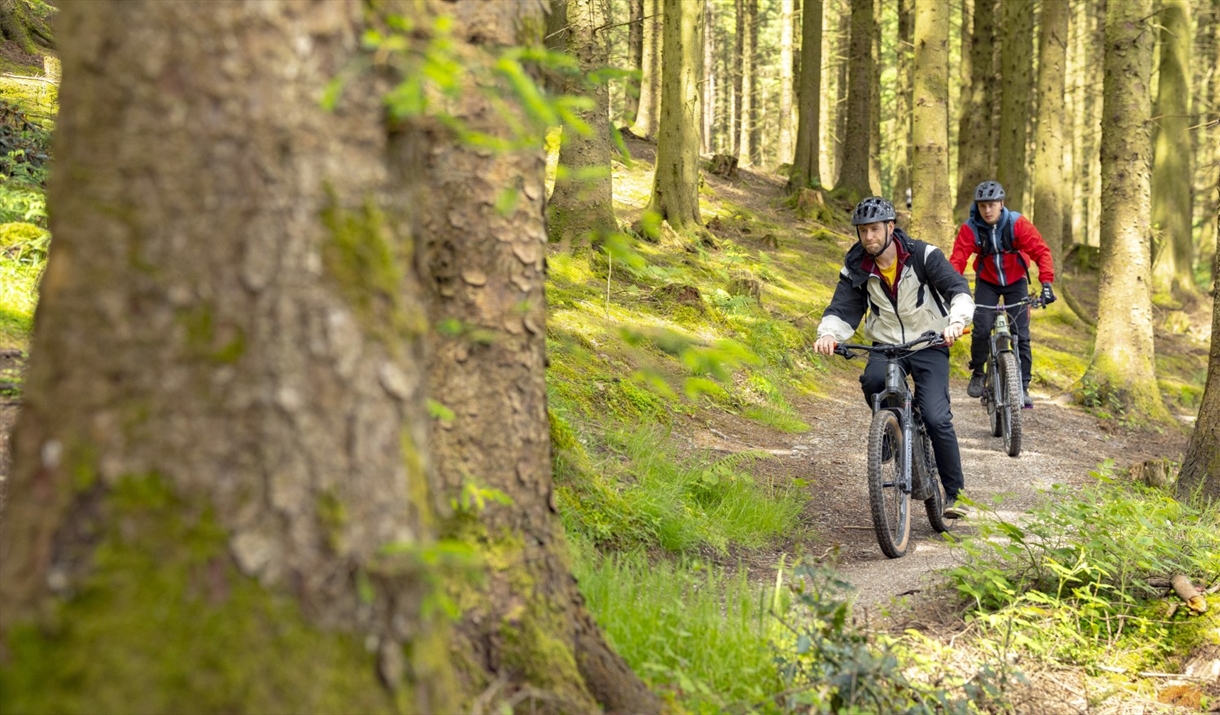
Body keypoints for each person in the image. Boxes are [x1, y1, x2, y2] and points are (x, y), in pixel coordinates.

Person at [813, 197, 976, 518]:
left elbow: (957, 288)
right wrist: (829, 334)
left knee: (935, 416)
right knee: (873, 380)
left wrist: (957, 322)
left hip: (929, 341)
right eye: (862, 231)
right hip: (886, 344)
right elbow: (843, 308)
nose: (869, 237)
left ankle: (957, 494)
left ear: (890, 227)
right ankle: (890, 430)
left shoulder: (923, 255)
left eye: (874, 229)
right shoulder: (856, 265)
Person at [949, 181, 1056, 409]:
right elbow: (957, 260)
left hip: (1016, 281)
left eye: (991, 205)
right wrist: (949, 288)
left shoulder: (1017, 223)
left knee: (1021, 334)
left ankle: (1023, 387)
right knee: (981, 327)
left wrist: (1046, 282)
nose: (987, 210)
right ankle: (978, 372)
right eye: (982, 206)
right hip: (987, 281)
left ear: (1001, 203)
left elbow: (1041, 251)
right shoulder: (971, 228)